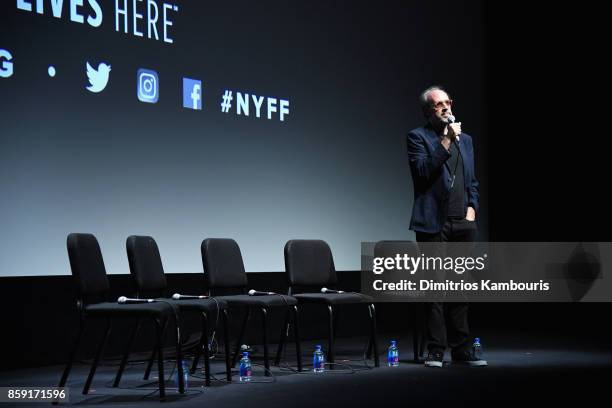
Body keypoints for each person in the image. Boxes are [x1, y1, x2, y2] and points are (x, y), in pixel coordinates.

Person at [406, 85, 487, 367]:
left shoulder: (467, 140)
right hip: (433, 224)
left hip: (463, 224)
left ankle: (462, 349)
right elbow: (422, 172)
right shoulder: (418, 137)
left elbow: (471, 179)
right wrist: (445, 140)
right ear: (428, 111)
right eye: (439, 104)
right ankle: (436, 349)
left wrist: (473, 208)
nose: (446, 107)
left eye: (448, 102)